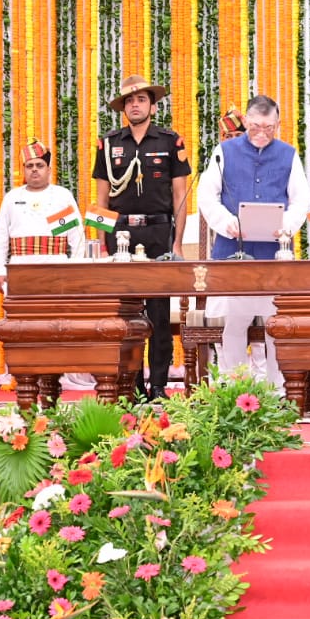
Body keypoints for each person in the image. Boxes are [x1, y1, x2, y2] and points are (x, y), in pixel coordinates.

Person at [198, 95, 310, 384]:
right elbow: (206, 195)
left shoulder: (288, 154)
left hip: (274, 254)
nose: (262, 133)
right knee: (233, 325)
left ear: (278, 124)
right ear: (246, 122)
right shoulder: (224, 152)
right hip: (232, 252)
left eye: (269, 128)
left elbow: (301, 199)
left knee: (277, 325)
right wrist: (226, 222)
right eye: (255, 127)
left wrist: (286, 226)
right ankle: (234, 388)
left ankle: (276, 390)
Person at [92, 75, 191, 401]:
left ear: (152, 104)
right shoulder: (108, 144)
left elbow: (180, 197)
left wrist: (176, 244)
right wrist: (102, 244)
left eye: (142, 100)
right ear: (123, 107)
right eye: (130, 101)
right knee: (125, 312)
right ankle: (130, 383)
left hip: (158, 232)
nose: (136, 105)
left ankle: (159, 385)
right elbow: (102, 200)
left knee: (159, 312)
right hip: (121, 233)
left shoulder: (169, 141)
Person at [0, 139, 86, 291]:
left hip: (57, 269)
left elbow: (77, 236)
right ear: (24, 170)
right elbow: (0, 237)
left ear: (49, 170)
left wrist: (75, 269)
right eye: (30, 166)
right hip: (19, 270)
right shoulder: (12, 197)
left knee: (57, 313)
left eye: (39, 165)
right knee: (20, 314)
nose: (34, 169)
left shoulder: (62, 196)